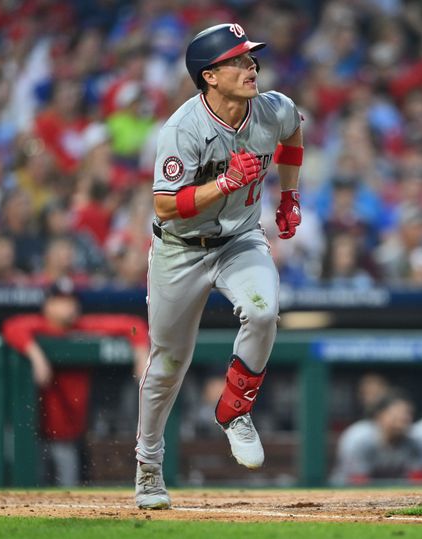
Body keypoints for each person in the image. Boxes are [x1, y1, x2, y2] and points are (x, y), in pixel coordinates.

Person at [135, 23, 303, 509]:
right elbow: (165, 206)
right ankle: (148, 465)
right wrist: (225, 184)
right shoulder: (183, 129)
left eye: (251, 59)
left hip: (240, 239)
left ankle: (236, 410)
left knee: (265, 310)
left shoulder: (272, 107)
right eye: (238, 61)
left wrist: (290, 194)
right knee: (167, 364)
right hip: (180, 249)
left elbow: (294, 131)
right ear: (209, 75)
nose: (251, 67)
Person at [2, 278, 149, 487]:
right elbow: (11, 327)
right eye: (62, 301)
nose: (69, 306)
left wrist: (141, 353)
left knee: (68, 491)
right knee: (28, 488)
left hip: (69, 434)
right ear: (48, 305)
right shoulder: (39, 326)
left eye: (71, 301)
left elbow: (134, 325)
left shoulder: (83, 326)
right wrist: (35, 354)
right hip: (33, 433)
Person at [331, 391, 422, 485]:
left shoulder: (414, 442)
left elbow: (420, 481)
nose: (403, 418)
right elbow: (357, 481)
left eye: (407, 413)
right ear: (379, 415)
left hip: (392, 494)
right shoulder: (359, 438)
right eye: (396, 413)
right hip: (343, 492)